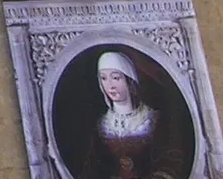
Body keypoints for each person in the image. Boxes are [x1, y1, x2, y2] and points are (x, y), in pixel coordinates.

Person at [77, 51, 189, 179]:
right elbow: (92, 170)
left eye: (116, 78)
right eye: (103, 78)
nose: (110, 86)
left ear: (129, 80)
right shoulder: (102, 125)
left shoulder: (153, 120)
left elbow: (170, 162)